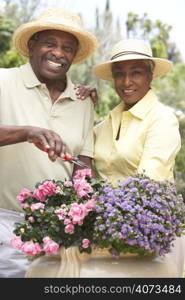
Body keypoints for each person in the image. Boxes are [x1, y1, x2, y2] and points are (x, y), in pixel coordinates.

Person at [0, 8, 98, 278]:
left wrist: (79, 217)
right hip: (6, 224)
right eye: (50, 43)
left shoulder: (83, 101)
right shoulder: (3, 81)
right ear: (32, 45)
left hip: (59, 234)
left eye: (67, 48)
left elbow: (83, 164)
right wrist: (25, 132)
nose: (59, 53)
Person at [92, 38, 185, 277]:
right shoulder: (105, 124)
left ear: (150, 75)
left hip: (148, 241)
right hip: (104, 240)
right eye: (119, 74)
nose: (126, 82)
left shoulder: (162, 119)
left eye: (136, 72)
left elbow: (148, 182)